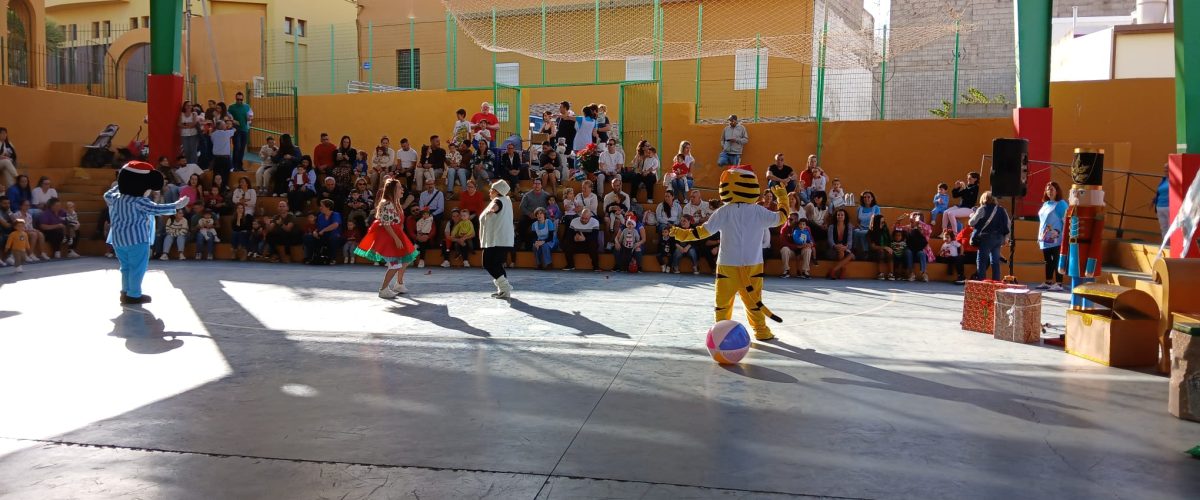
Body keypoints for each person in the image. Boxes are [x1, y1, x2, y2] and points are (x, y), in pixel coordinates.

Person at [671, 167, 788, 340]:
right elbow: (782, 217)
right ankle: (760, 330)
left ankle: (720, 332)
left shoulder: (724, 211)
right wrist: (783, 199)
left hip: (728, 266)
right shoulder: (757, 211)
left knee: (723, 305)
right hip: (751, 265)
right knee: (753, 302)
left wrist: (683, 234)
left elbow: (704, 231)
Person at [106, 161, 190, 304]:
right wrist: (176, 205)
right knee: (137, 267)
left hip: (118, 240)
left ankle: (125, 291)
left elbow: (107, 194)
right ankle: (134, 294)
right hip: (136, 240)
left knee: (125, 267)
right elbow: (157, 209)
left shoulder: (115, 198)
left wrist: (122, 183)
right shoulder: (139, 201)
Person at [356, 178, 418, 297]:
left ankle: (399, 283)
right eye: (400, 187)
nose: (402, 189)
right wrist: (396, 238)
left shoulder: (395, 203)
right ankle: (383, 289)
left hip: (396, 234)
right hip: (389, 236)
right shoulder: (387, 203)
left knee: (406, 259)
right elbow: (385, 223)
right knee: (395, 265)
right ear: (393, 190)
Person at [479, 180, 515, 298]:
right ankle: (503, 290)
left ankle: (505, 287)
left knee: (489, 263)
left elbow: (496, 206)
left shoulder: (498, 200)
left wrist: (491, 210)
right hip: (501, 239)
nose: (489, 191)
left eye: (491, 189)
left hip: (497, 240)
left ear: (497, 191)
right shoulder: (507, 200)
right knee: (497, 264)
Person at [969, 191, 1011, 281]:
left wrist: (972, 215)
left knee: (982, 261)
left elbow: (972, 222)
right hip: (998, 238)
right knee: (995, 261)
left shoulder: (982, 209)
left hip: (986, 237)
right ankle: (996, 282)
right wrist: (1006, 237)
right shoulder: (1002, 209)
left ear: (983, 199)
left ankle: (982, 282)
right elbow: (1008, 224)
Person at [1037, 181, 1068, 291]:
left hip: (1057, 238)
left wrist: (1064, 236)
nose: (1049, 191)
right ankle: (1048, 281)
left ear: (1057, 191)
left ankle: (1059, 283)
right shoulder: (1045, 204)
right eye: (1048, 189)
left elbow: (1066, 220)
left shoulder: (1061, 204)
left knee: (1056, 260)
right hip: (1045, 238)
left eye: (1052, 189)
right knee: (1048, 261)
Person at [303, 199, 343, 264]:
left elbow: (335, 225)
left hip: (333, 235)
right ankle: (310, 257)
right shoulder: (320, 216)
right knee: (308, 237)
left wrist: (324, 230)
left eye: (322, 206)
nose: (320, 207)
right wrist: (315, 232)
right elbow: (318, 227)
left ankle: (332, 258)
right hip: (322, 236)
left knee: (333, 238)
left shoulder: (335, 214)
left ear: (328, 207)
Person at [518, 179, 550, 251]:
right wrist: (529, 214)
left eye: (538, 184)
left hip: (542, 216)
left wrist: (543, 214)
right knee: (521, 223)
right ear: (533, 185)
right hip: (530, 215)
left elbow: (551, 207)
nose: (536, 185)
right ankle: (524, 243)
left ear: (541, 185)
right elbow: (522, 207)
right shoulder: (527, 195)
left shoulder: (547, 195)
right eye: (535, 183)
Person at [780, 214, 814, 279]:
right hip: (791, 251)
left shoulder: (805, 228)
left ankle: (805, 271)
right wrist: (797, 246)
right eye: (788, 219)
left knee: (808, 249)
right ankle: (786, 271)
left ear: (796, 220)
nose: (788, 221)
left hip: (802, 251)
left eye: (791, 219)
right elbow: (783, 243)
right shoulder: (784, 229)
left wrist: (810, 244)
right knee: (784, 249)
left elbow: (811, 240)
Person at [826, 209, 855, 280]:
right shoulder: (831, 227)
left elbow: (850, 241)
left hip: (845, 249)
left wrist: (846, 247)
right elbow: (830, 241)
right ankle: (842, 270)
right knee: (848, 254)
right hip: (833, 250)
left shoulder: (849, 226)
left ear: (845, 216)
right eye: (838, 215)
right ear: (836, 216)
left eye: (842, 215)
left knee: (851, 255)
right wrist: (835, 246)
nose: (840, 216)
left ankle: (833, 270)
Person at [208, 118, 236, 188]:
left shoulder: (213, 134)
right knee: (225, 175)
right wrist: (230, 126)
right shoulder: (227, 133)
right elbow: (235, 130)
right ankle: (223, 189)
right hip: (225, 158)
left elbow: (211, 139)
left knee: (216, 175)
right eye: (224, 125)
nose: (226, 126)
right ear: (220, 126)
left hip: (216, 158)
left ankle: (214, 190)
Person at [227, 92, 253, 170]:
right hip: (236, 130)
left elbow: (250, 116)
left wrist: (250, 118)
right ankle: (235, 166)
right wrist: (233, 120)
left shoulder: (247, 106)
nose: (239, 101)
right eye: (238, 99)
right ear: (235, 99)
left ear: (243, 99)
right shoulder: (231, 107)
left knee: (242, 148)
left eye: (241, 99)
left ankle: (240, 166)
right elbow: (227, 116)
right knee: (237, 147)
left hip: (244, 129)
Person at [853, 191, 881, 258]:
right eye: (864, 197)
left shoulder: (876, 208)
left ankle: (865, 252)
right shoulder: (859, 208)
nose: (866, 199)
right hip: (861, 228)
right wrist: (859, 226)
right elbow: (858, 221)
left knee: (864, 233)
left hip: (872, 228)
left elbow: (877, 221)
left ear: (872, 198)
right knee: (855, 231)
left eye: (868, 197)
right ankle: (854, 249)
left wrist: (870, 228)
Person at [866, 214, 894, 280]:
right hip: (873, 252)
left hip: (884, 249)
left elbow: (889, 242)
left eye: (884, 222)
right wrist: (884, 247)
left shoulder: (885, 230)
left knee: (889, 253)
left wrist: (888, 248)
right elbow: (873, 247)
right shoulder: (871, 232)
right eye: (881, 222)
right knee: (881, 252)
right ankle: (880, 273)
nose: (883, 224)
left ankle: (891, 273)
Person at [1154, 165, 1170, 237]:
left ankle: (1172, 245)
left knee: (1171, 227)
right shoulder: (1163, 180)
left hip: (1169, 206)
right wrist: (1153, 201)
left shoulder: (1175, 179)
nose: (1165, 170)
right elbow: (1158, 192)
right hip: (1159, 206)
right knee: (1163, 228)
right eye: (1164, 168)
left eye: (1167, 168)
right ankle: (1166, 245)